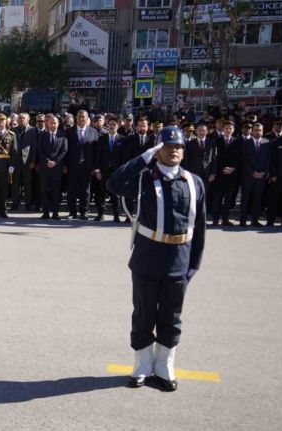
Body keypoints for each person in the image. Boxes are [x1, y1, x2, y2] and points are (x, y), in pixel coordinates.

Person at [107, 125, 206, 392]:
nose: (174, 150)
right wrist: (143, 157)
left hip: (179, 260)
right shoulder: (143, 179)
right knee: (143, 314)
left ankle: (164, 366)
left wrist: (194, 263)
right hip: (147, 258)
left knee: (171, 317)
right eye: (168, 145)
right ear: (157, 149)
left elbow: (199, 228)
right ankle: (142, 365)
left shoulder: (193, 182)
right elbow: (114, 183)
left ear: (184, 151)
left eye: (178, 146)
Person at [66, 110, 99, 219]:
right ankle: (72, 212)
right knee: (71, 189)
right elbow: (66, 150)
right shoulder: (69, 131)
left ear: (87, 118)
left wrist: (95, 167)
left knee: (85, 190)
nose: (81, 119)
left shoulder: (93, 132)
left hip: (87, 166)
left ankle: (84, 211)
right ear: (76, 118)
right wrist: (65, 165)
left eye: (83, 117)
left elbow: (96, 151)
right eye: (79, 116)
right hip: (72, 166)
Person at [36, 114, 67, 220]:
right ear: (47, 124)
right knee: (44, 190)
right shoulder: (42, 135)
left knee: (56, 191)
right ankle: (45, 212)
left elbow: (64, 150)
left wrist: (55, 161)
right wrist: (47, 161)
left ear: (58, 124)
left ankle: (55, 212)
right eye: (51, 123)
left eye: (55, 123)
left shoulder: (62, 135)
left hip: (57, 168)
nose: (53, 125)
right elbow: (40, 150)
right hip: (45, 167)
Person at [94, 116, 124, 222]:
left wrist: (122, 172)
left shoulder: (122, 139)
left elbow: (123, 157)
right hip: (103, 170)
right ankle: (100, 214)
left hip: (116, 171)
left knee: (115, 194)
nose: (112, 127)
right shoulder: (102, 139)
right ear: (107, 125)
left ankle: (116, 215)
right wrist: (97, 170)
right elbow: (97, 155)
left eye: (114, 125)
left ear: (118, 126)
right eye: (110, 125)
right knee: (101, 193)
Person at [240, 123, 270, 226]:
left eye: (260, 130)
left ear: (262, 131)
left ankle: (255, 220)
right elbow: (244, 161)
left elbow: (268, 160)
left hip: (261, 177)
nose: (258, 132)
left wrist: (263, 172)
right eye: (256, 130)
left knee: (257, 199)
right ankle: (243, 220)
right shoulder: (246, 143)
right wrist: (253, 172)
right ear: (252, 131)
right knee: (245, 199)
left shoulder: (267, 143)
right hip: (248, 176)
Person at [211, 121, 240, 226]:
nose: (228, 130)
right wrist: (219, 170)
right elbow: (213, 158)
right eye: (226, 128)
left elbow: (240, 158)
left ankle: (225, 219)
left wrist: (233, 168)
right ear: (223, 129)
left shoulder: (237, 142)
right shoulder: (216, 141)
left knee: (228, 200)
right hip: (219, 175)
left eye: (230, 128)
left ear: (233, 130)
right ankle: (215, 219)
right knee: (217, 199)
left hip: (231, 175)